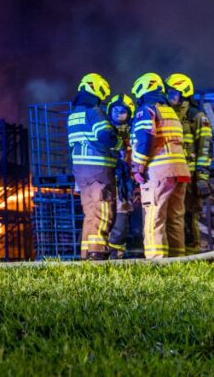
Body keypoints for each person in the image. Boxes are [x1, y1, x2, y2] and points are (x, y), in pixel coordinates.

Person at [128, 73, 190, 259]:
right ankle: (177, 260)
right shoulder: (170, 111)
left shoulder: (147, 109)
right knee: (175, 217)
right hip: (180, 170)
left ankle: (156, 261)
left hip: (159, 170)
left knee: (154, 215)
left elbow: (145, 138)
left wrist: (138, 167)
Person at [67, 73, 118, 260]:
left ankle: (86, 254)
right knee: (102, 211)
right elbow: (105, 135)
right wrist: (118, 143)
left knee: (90, 214)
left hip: (81, 171)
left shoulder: (73, 114)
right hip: (98, 169)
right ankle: (98, 253)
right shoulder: (93, 111)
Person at [166, 73, 212, 256]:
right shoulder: (166, 114)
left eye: (173, 93)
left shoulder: (197, 116)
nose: (169, 96)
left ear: (184, 93)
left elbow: (205, 149)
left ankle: (192, 254)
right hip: (171, 175)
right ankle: (174, 254)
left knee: (188, 215)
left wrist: (202, 178)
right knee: (171, 215)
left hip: (190, 177)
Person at [104, 93, 137, 257]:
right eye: (115, 110)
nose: (118, 114)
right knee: (105, 216)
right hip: (106, 179)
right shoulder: (104, 130)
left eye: (122, 111)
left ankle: (116, 253)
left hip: (125, 182)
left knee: (122, 218)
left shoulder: (134, 130)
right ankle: (105, 252)